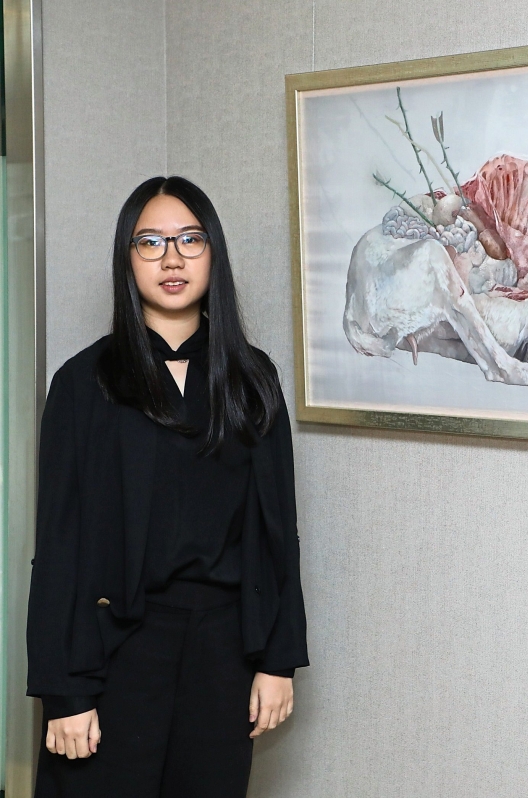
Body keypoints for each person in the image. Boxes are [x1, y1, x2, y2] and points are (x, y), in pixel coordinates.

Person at [26, 176, 309, 797]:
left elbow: (276, 531)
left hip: (224, 655)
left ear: (213, 253)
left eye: (190, 239)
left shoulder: (252, 378)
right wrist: (63, 690)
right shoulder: (84, 383)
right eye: (150, 242)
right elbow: (59, 547)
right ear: (127, 258)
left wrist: (278, 659)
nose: (172, 258)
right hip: (114, 652)